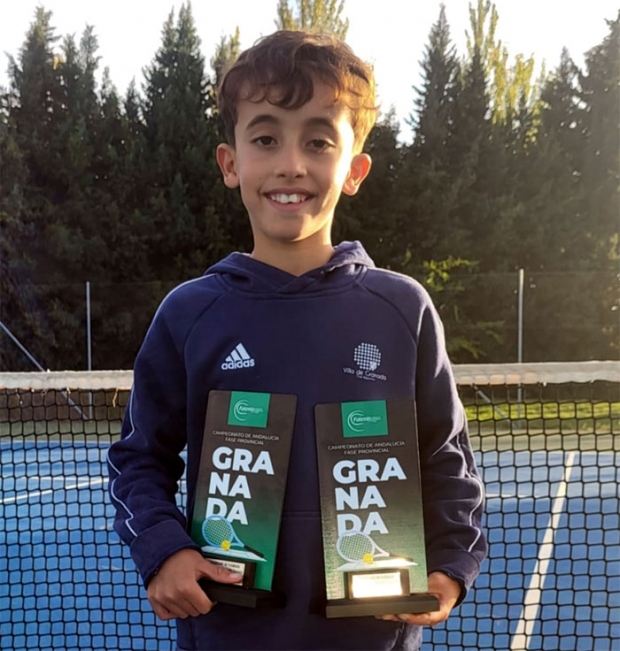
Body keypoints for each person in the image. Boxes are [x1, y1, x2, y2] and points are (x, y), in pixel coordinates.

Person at [107, 29, 486, 651]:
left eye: (318, 140)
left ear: (355, 168)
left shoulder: (402, 308)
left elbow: (446, 458)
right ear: (230, 163)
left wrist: (450, 567)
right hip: (226, 635)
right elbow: (138, 458)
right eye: (264, 138)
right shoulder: (190, 313)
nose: (291, 163)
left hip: (374, 635)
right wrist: (164, 550)